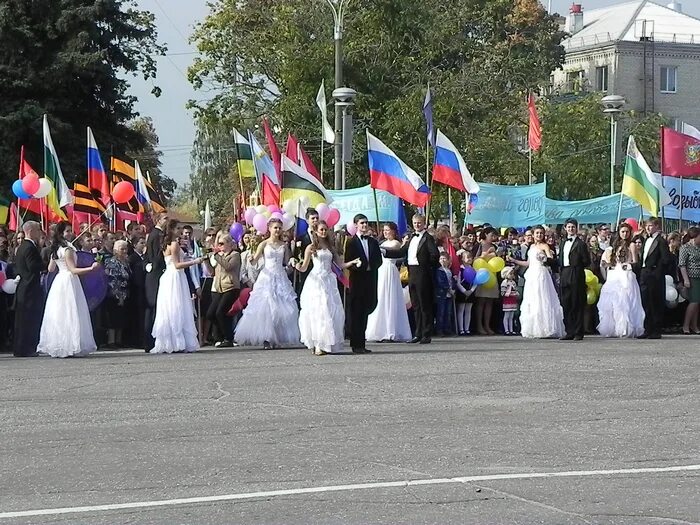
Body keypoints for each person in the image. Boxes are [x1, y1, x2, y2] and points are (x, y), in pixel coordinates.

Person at [294, 221, 360, 355]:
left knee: (331, 311)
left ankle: (327, 342)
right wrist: (296, 265)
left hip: (329, 281)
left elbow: (339, 265)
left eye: (326, 230)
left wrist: (352, 262)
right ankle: (318, 343)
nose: (324, 232)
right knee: (319, 311)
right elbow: (304, 267)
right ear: (316, 231)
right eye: (321, 230)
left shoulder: (331, 247)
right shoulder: (311, 247)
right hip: (316, 281)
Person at [235, 218, 300, 349]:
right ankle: (266, 337)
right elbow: (255, 261)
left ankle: (276, 336)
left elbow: (287, 262)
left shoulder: (284, 245)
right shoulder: (263, 244)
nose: (277, 230)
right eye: (275, 227)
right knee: (266, 307)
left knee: (282, 307)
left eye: (279, 228)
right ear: (269, 229)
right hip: (267, 277)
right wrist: (251, 259)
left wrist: (292, 261)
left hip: (280, 277)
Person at [37, 221, 100, 358]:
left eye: (71, 230)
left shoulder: (57, 248)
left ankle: (60, 343)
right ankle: (71, 344)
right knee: (71, 312)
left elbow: (51, 269)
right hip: (69, 281)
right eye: (67, 231)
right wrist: (91, 268)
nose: (70, 233)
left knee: (60, 313)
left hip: (59, 281)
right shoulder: (67, 249)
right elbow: (72, 269)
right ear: (61, 233)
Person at [150, 220, 205, 354]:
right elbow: (176, 265)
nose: (180, 231)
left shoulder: (170, 243)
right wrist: (195, 261)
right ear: (172, 229)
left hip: (173, 276)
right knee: (176, 306)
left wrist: (187, 256)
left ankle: (174, 340)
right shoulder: (174, 244)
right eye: (178, 228)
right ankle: (176, 340)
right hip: (175, 276)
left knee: (174, 306)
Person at [383, 214, 439, 344]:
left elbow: (434, 255)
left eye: (419, 223)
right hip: (411, 272)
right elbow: (402, 252)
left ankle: (426, 334)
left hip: (422, 272)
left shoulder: (428, 238)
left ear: (424, 223)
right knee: (416, 305)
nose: (417, 225)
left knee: (425, 304)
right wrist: (384, 252)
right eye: (415, 223)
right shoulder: (411, 237)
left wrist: (426, 267)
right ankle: (417, 333)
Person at [508, 225, 565, 339]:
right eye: (537, 233)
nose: (539, 235)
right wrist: (514, 260)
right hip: (532, 274)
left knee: (543, 299)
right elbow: (528, 263)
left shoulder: (545, 246)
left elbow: (551, 260)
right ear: (533, 235)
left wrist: (545, 259)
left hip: (541, 274)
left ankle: (546, 327)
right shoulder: (531, 247)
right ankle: (533, 328)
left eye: (541, 233)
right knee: (532, 299)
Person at [366, 222, 412, 342]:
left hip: (390, 271)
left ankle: (391, 330)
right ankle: (379, 330)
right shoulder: (382, 243)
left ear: (393, 231)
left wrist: (377, 246)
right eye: (384, 230)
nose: (386, 232)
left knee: (390, 299)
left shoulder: (395, 243)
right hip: (382, 271)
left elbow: (394, 251)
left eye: (388, 230)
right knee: (380, 298)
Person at [596, 222, 644, 338]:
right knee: (613, 301)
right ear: (619, 232)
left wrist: (628, 265)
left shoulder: (631, 245)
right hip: (615, 273)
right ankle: (615, 327)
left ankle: (626, 327)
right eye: (622, 231)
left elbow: (635, 262)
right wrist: (607, 263)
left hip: (626, 274)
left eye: (627, 232)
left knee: (626, 301)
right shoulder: (615, 244)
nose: (624, 234)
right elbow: (614, 261)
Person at [345, 214, 383, 353]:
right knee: (357, 313)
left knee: (368, 308)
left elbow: (379, 260)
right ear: (356, 225)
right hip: (357, 281)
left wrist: (370, 266)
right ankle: (356, 344)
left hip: (370, 279)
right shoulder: (351, 242)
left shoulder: (373, 242)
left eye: (366, 223)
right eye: (361, 223)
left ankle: (362, 342)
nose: (364, 225)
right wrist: (359, 266)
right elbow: (348, 262)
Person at [12, 222, 46, 357]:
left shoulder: (22, 247)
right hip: (30, 289)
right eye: (38, 230)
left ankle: (21, 348)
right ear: (31, 231)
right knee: (28, 320)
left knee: (22, 320)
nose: (40, 233)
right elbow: (32, 266)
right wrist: (45, 264)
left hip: (24, 288)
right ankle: (27, 348)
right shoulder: (29, 247)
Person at [205, 233, 241, 348]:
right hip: (220, 288)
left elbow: (228, 267)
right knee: (211, 314)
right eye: (218, 244)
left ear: (229, 244)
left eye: (222, 244)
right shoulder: (220, 256)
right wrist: (206, 260)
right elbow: (212, 272)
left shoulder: (235, 255)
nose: (219, 246)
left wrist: (216, 255)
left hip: (231, 287)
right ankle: (221, 335)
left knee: (221, 312)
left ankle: (228, 338)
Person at [638, 218, 670, 339]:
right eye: (647, 226)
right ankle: (647, 329)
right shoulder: (646, 239)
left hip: (654, 274)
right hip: (644, 273)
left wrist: (657, 272)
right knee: (645, 301)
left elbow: (665, 259)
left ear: (657, 226)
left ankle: (656, 330)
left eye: (650, 226)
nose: (648, 228)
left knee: (655, 302)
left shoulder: (661, 241)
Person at [558, 219, 590, 340]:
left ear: (576, 228)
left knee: (576, 302)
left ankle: (578, 332)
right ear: (565, 228)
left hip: (576, 273)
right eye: (569, 227)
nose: (571, 229)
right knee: (566, 303)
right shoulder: (562, 243)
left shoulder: (581, 244)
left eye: (573, 227)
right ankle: (569, 331)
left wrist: (577, 264)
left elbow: (587, 261)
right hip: (564, 273)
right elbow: (560, 259)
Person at [144, 213, 168, 351]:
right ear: (158, 220)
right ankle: (150, 340)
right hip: (156, 274)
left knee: (153, 308)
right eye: (165, 218)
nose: (167, 221)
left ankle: (149, 340)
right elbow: (156, 255)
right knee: (153, 307)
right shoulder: (157, 235)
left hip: (153, 272)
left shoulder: (155, 234)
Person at [103, 239, 131, 348]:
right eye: (121, 249)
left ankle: (119, 341)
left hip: (125, 294)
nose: (124, 251)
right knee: (113, 319)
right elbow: (113, 280)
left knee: (121, 318)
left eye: (125, 248)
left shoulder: (126, 262)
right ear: (115, 250)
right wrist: (119, 296)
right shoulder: (112, 262)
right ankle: (111, 341)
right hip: (114, 295)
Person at [473, 227, 500, 335]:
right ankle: (479, 326)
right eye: (491, 235)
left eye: (495, 236)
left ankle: (487, 325)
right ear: (486, 234)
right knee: (481, 301)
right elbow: (474, 260)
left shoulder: (494, 246)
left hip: (492, 275)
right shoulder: (478, 245)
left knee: (490, 301)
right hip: (481, 275)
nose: (493, 238)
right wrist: (485, 254)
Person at [679, 227, 700, 334]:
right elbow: (682, 265)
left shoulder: (699, 247)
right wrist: (686, 279)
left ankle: (694, 325)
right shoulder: (685, 248)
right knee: (694, 301)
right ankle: (686, 325)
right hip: (692, 277)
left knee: (697, 303)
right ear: (694, 237)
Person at [127, 235, 147, 348]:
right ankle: (136, 340)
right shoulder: (132, 258)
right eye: (141, 243)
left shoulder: (144, 257)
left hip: (144, 289)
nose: (144, 245)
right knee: (137, 316)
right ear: (135, 245)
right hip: (136, 290)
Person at [454, 250, 477, 335]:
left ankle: (467, 328)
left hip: (470, 291)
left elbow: (476, 281)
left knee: (468, 310)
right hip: (462, 291)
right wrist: (464, 291)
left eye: (471, 257)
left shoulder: (473, 269)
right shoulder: (460, 269)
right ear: (463, 259)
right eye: (468, 257)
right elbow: (458, 282)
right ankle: (461, 329)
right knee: (461, 310)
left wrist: (471, 291)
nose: (470, 259)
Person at [434, 253, 454, 336]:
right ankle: (439, 329)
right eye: (441, 258)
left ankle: (447, 329)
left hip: (449, 294)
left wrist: (453, 289)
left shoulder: (449, 271)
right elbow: (441, 282)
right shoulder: (439, 271)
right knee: (441, 312)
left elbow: (452, 282)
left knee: (448, 312)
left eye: (444, 258)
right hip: (442, 294)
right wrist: (448, 289)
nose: (442, 260)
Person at [500, 267, 519, 335]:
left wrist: (516, 293)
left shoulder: (513, 282)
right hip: (507, 301)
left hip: (513, 300)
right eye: (510, 274)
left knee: (511, 316)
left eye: (512, 274)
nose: (512, 275)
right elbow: (503, 293)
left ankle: (511, 329)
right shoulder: (504, 282)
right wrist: (510, 293)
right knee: (507, 315)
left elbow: (515, 290)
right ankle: (506, 330)